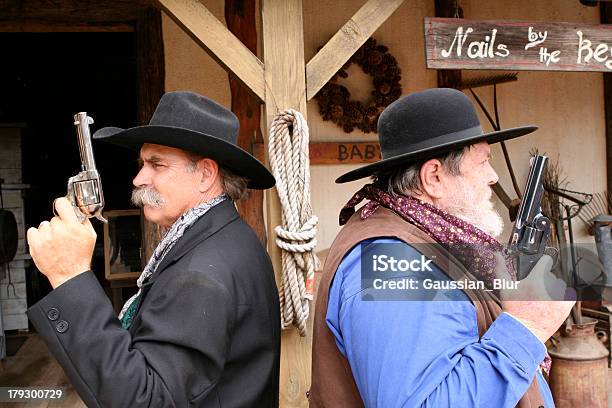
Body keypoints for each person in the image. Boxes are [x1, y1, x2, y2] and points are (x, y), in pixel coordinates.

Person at [309, 88, 574, 407]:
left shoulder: (422, 238)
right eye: (483, 162)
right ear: (434, 177)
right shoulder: (394, 262)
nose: (493, 177)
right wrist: (526, 327)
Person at [26, 91, 281, 407]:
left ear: (205, 174)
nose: (137, 178)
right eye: (141, 163)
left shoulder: (198, 274)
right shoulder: (227, 237)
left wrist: (70, 277)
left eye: (156, 164)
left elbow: (147, 401)